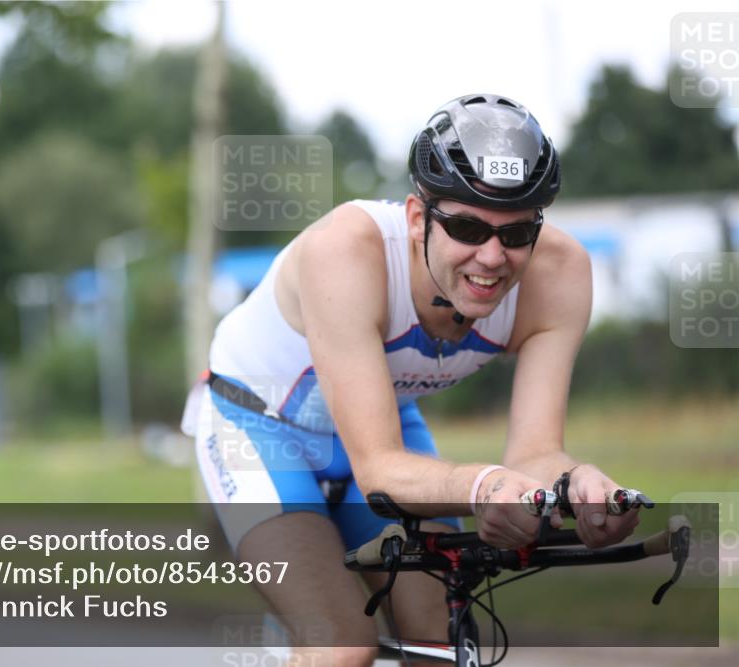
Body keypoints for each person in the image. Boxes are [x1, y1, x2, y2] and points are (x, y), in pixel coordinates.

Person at [183, 94, 642, 667]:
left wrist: (579, 485)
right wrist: (485, 486)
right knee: (341, 645)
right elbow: (379, 468)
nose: (492, 257)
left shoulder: (559, 273)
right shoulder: (346, 251)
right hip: (257, 427)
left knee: (439, 642)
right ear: (418, 218)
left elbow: (535, 454)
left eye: (517, 233)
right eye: (468, 227)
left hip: (383, 423)